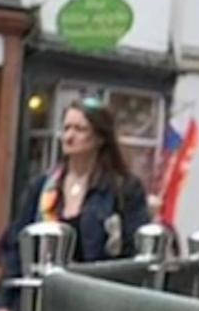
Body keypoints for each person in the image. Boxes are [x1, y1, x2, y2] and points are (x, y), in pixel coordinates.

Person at [14, 100, 154, 275]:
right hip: (48, 289)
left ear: (100, 138)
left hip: (97, 291)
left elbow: (134, 249)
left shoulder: (124, 188)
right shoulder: (43, 186)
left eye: (79, 129)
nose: (69, 137)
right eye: (66, 128)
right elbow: (17, 243)